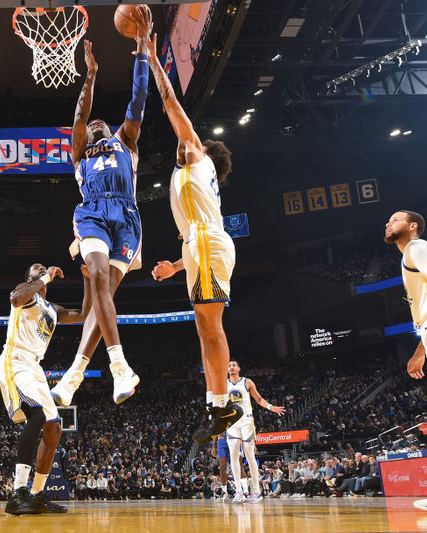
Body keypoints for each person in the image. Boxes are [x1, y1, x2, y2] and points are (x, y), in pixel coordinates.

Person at [51, 6, 153, 407]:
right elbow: (79, 114)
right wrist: (90, 75)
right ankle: (119, 365)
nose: (95, 124)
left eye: (99, 123)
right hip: (92, 212)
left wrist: (142, 50)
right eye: (91, 124)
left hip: (127, 217)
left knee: (103, 298)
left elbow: (139, 99)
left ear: (109, 129)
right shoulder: (80, 152)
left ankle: (75, 374)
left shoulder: (126, 140)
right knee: (96, 279)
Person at [145, 30, 241, 444]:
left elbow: (170, 104)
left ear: (204, 154)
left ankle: (222, 405)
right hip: (198, 245)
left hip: (206, 243)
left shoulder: (198, 162)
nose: (183, 148)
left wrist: (151, 57)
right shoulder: (190, 178)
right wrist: (177, 263)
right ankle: (218, 404)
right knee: (204, 327)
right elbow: (199, 233)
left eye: (190, 145)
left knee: (210, 325)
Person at [0, 263, 92, 515]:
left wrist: (87, 280)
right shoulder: (24, 290)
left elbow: (85, 314)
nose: (40, 267)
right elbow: (17, 299)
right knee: (38, 415)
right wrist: (46, 277)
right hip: (16, 359)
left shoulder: (52, 309)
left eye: (43, 266)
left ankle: (37, 495)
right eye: (35, 267)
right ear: (30, 277)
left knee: (54, 428)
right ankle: (18, 493)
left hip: (35, 367)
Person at [383, 211, 427, 513]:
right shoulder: (411, 256)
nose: (388, 223)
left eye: (395, 219)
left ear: (413, 226)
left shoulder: (416, 248)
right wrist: (420, 350)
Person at [225, 360, 285, 503]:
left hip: (246, 420)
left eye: (234, 365)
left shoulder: (247, 382)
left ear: (238, 368)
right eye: (229, 366)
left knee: (249, 453)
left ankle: (256, 491)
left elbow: (258, 399)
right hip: (231, 422)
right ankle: (239, 491)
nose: (231, 367)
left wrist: (271, 407)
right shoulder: (223, 384)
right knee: (233, 456)